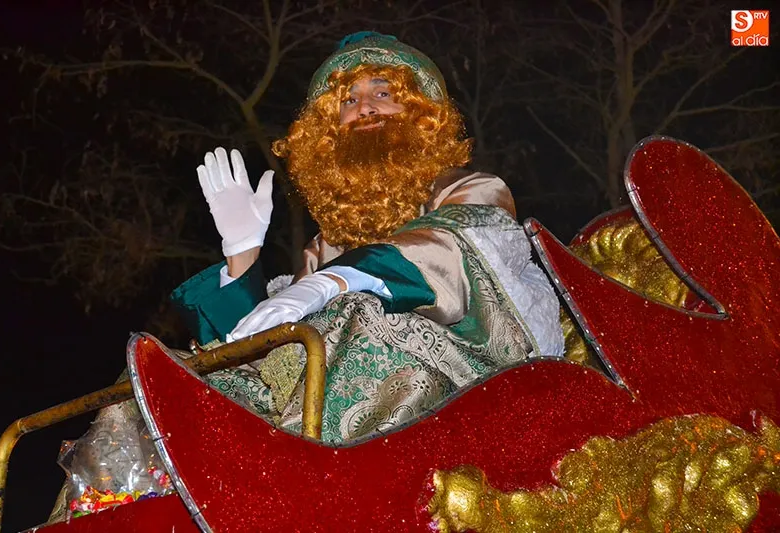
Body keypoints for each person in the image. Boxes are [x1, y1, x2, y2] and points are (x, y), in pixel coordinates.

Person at [170, 32, 564, 442]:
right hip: (327, 413)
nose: (364, 108)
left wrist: (337, 281)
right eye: (347, 101)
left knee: (360, 315)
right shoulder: (329, 244)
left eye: (383, 92)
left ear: (419, 114)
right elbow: (267, 353)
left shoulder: (473, 190)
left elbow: (452, 252)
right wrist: (242, 256)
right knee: (168, 374)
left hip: (470, 397)